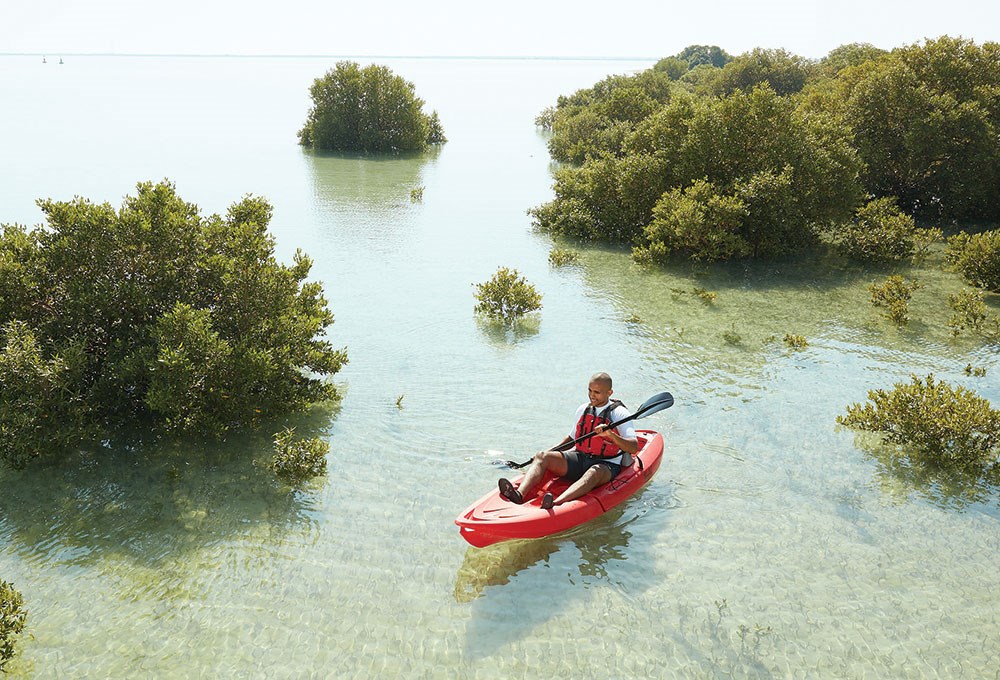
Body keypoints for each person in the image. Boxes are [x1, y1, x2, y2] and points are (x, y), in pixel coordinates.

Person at [498, 372, 639, 510]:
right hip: (580, 458)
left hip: (607, 465)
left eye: (597, 392)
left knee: (594, 472)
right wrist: (548, 453)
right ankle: (519, 494)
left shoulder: (620, 413)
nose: (592, 395)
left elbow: (633, 447)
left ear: (610, 392)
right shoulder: (583, 409)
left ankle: (556, 504)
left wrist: (610, 435)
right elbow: (571, 440)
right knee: (542, 455)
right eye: (589, 390)